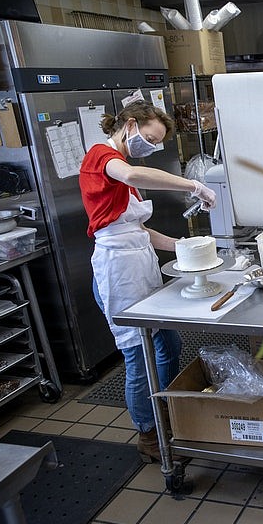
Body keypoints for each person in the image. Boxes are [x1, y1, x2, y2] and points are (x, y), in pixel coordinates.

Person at [79, 100, 217, 462]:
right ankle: (148, 433)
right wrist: (194, 186)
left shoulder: (124, 171)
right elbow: (133, 176)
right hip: (117, 272)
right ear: (128, 124)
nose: (150, 148)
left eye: (156, 144)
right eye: (148, 139)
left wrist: (184, 247)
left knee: (168, 344)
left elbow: (137, 231)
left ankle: (165, 411)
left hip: (139, 264)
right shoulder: (101, 157)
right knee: (137, 356)